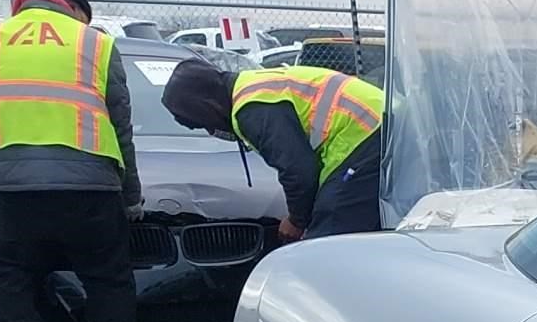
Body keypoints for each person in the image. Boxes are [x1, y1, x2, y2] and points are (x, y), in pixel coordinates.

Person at [0, 0, 144, 322]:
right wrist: (131, 195)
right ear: (75, 9)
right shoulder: (95, 43)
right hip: (90, 184)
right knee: (107, 275)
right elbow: (121, 125)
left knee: (10, 273)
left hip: (11, 185)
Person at [161, 55, 385, 242]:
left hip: (365, 132)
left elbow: (299, 172)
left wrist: (297, 221)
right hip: (375, 125)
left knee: (329, 238)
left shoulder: (251, 109)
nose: (212, 131)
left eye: (206, 124)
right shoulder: (251, 87)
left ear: (208, 107)